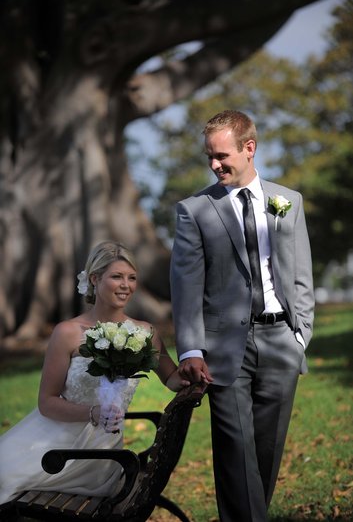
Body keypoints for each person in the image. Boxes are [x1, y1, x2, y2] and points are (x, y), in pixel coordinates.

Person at [170, 109, 314, 522]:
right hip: (222, 347)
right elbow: (186, 286)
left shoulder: (288, 202)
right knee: (235, 453)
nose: (215, 165)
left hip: (281, 342)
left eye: (222, 156)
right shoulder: (194, 210)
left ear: (249, 149)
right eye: (209, 157)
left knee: (266, 455)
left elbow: (301, 272)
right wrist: (191, 348)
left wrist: (300, 334)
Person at [0, 240, 188, 506]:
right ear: (94, 279)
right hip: (52, 447)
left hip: (104, 455)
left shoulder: (145, 334)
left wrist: (194, 364)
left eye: (132, 278)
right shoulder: (66, 333)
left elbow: (172, 379)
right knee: (6, 480)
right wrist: (93, 413)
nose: (126, 285)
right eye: (117, 277)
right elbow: (47, 402)